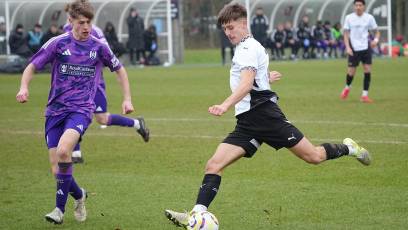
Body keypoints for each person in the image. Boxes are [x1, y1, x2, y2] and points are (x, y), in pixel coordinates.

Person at [164, 3, 371, 228]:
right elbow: (253, 79)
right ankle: (196, 214)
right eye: (224, 29)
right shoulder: (249, 46)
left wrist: (224, 105)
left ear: (244, 23)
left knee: (314, 157)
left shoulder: (247, 48)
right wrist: (265, 77)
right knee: (214, 164)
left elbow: (245, 84)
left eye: (231, 27)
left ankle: (350, 148)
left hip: (266, 116)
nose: (228, 32)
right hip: (247, 122)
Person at [15, 0, 142, 224]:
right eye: (81, 22)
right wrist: (24, 87)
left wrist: (127, 99)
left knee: (65, 151)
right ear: (71, 21)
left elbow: (119, 70)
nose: (86, 27)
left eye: (89, 22)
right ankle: (80, 195)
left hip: (81, 110)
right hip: (55, 111)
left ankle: (58, 211)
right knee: (57, 169)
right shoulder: (58, 43)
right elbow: (32, 66)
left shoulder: (98, 46)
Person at [63, 7, 150, 163]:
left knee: (102, 118)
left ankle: (136, 123)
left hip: (94, 82)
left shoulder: (94, 32)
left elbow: (107, 54)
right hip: (72, 83)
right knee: (73, 112)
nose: (84, 25)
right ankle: (75, 152)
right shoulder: (66, 30)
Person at [340, 0, 380, 103]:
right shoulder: (349, 18)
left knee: (367, 70)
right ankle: (347, 87)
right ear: (354, 7)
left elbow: (377, 31)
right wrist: (348, 47)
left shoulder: (369, 18)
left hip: (366, 47)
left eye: (360, 5)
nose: (358, 7)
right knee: (351, 72)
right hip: (353, 48)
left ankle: (364, 95)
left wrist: (375, 41)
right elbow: (345, 34)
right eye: (356, 5)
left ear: (364, 7)